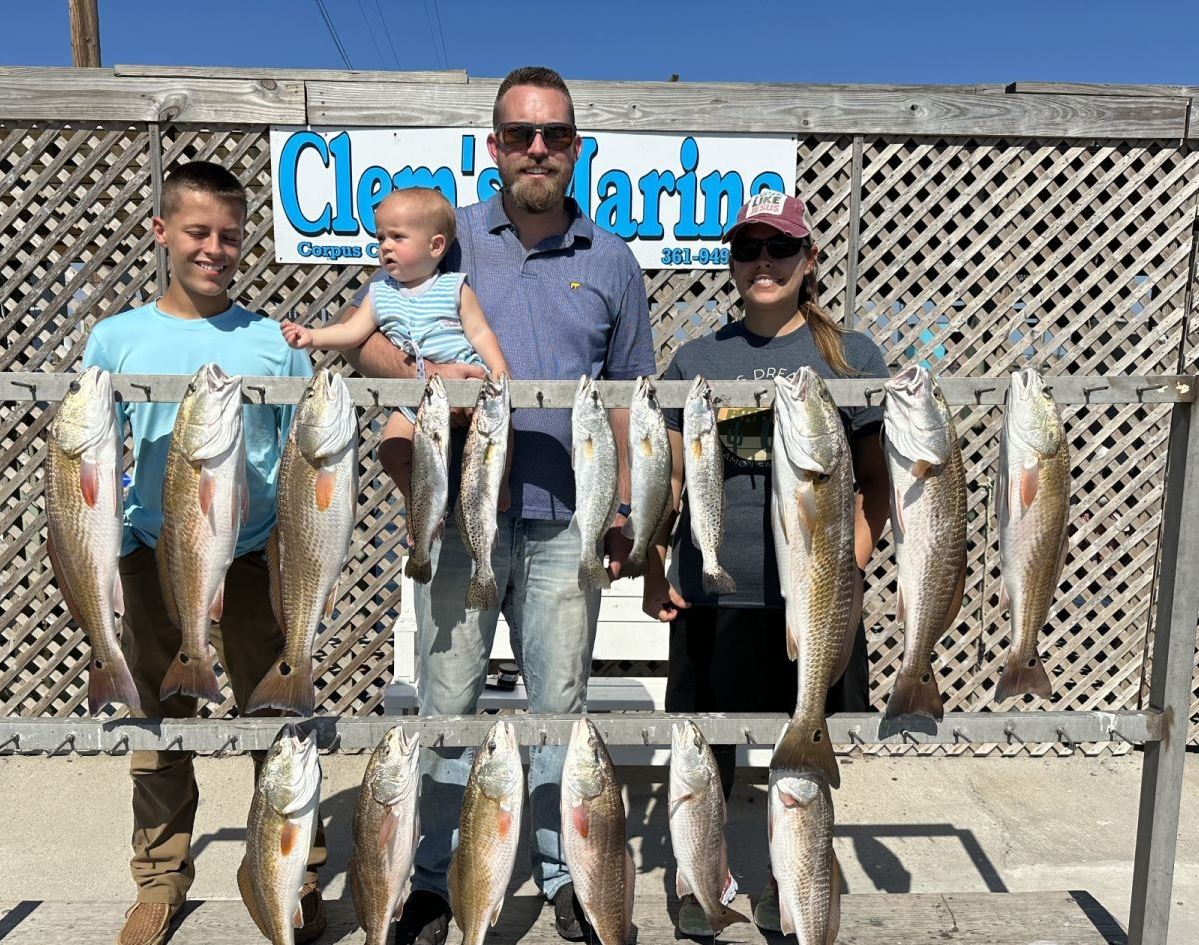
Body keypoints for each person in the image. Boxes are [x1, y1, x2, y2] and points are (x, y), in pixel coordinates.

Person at [340, 66, 656, 945]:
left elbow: (628, 394)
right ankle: (438, 880)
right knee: (447, 701)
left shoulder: (611, 260)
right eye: (521, 135)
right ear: (495, 148)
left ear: (577, 147)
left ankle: (564, 875)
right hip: (453, 515)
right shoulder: (446, 241)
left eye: (554, 134)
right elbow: (368, 342)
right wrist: (429, 377)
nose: (538, 150)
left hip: (565, 520)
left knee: (560, 705)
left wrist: (624, 502)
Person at [80, 161, 327, 945]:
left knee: (280, 719)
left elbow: (299, 462)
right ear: (161, 233)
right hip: (156, 553)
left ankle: (298, 870)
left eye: (228, 234)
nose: (214, 249)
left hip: (257, 560)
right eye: (197, 232)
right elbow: (90, 453)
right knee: (158, 724)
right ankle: (159, 878)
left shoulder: (272, 341)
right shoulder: (115, 338)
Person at [640, 191, 890, 935]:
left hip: (812, 601)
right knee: (705, 760)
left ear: (809, 259)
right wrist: (655, 560)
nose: (763, 263)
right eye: (748, 248)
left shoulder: (851, 356)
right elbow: (675, 482)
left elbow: (877, 480)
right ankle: (701, 881)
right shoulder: (697, 359)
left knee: (802, 761)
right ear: (731, 260)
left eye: (780, 248)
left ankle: (795, 885)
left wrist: (850, 560)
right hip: (714, 598)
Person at [279, 187, 510, 504]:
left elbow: (480, 333)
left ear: (435, 245)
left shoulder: (454, 287)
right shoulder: (380, 293)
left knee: (497, 435)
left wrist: (498, 369)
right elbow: (351, 333)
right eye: (380, 239)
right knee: (391, 450)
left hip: (467, 383)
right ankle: (423, 504)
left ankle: (501, 486)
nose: (385, 247)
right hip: (415, 394)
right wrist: (312, 336)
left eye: (397, 238)